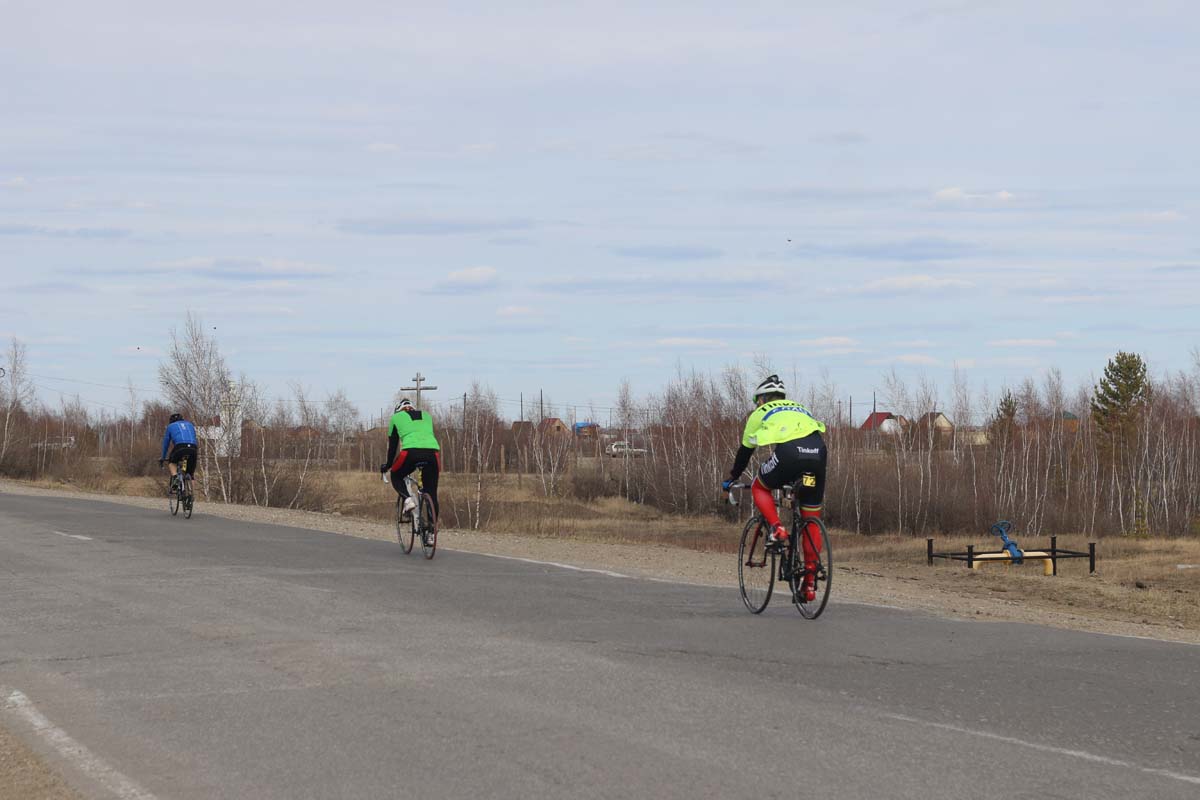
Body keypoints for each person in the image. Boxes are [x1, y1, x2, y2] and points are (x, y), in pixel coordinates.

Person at [722, 375, 827, 600]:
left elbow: (745, 452)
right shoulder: (799, 408)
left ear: (761, 399)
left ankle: (777, 528)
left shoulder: (759, 413)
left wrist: (732, 478)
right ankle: (809, 585)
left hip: (790, 454)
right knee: (811, 518)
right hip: (818, 455)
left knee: (761, 487)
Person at [380, 398, 441, 521]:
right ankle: (431, 532)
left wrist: (387, 465)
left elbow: (392, 447)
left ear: (398, 410)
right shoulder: (427, 416)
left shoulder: (395, 418)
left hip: (410, 452)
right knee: (432, 492)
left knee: (396, 475)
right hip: (433, 454)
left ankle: (408, 500)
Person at [160, 412, 199, 489]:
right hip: (193, 448)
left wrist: (163, 457)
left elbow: (166, 444)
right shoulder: (190, 424)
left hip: (180, 447)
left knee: (172, 462)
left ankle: (175, 478)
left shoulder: (170, 426)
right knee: (191, 474)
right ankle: (191, 494)